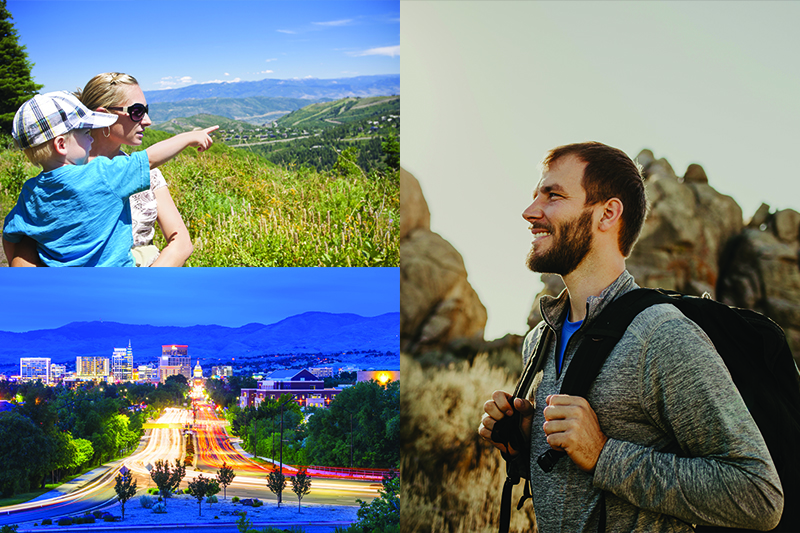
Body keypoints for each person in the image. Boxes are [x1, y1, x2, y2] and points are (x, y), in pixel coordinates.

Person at [478, 142, 783, 532]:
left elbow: (759, 495)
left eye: (552, 194)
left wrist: (604, 455)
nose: (530, 210)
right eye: (536, 193)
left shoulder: (660, 336)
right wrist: (524, 441)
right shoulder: (540, 339)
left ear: (608, 213)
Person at [2, 91, 217, 267]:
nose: (90, 135)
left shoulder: (31, 191)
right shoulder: (102, 173)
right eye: (85, 132)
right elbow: (149, 158)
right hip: (116, 280)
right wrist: (188, 137)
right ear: (61, 145)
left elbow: (10, 236)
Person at [76, 72, 192, 267]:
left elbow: (181, 243)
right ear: (104, 115)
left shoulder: (149, 172)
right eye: (137, 111)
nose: (147, 121)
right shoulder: (67, 173)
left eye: (146, 110)